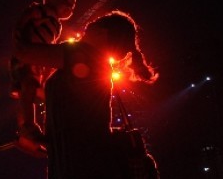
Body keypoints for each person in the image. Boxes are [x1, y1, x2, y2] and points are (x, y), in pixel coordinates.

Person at [15, 10, 159, 178]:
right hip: (86, 163)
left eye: (93, 24)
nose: (87, 26)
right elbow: (80, 124)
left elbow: (23, 52)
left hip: (79, 166)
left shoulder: (83, 56)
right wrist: (43, 139)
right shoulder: (95, 63)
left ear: (102, 33)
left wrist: (24, 23)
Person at [9, 0, 77, 153]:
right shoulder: (45, 11)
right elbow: (27, 18)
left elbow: (50, 44)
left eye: (72, 4)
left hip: (38, 60)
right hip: (28, 55)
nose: (69, 7)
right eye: (65, 1)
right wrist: (19, 37)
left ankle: (39, 130)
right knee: (29, 86)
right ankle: (28, 126)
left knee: (39, 92)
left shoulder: (57, 24)